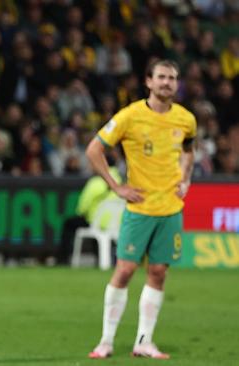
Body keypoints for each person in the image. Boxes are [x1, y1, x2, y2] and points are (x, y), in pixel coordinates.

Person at [86, 59, 196, 359]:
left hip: (171, 208)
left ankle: (144, 341)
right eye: (161, 77)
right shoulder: (130, 116)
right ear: (148, 81)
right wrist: (115, 186)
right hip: (139, 208)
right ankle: (106, 341)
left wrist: (186, 178)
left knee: (158, 272)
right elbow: (94, 149)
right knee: (124, 270)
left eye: (172, 78)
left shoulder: (186, 119)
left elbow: (189, 149)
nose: (166, 83)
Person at [56, 152, 122, 265]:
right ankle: (100, 260)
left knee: (68, 224)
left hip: (96, 223)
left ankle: (63, 260)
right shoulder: (121, 181)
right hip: (117, 225)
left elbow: (82, 209)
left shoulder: (95, 182)